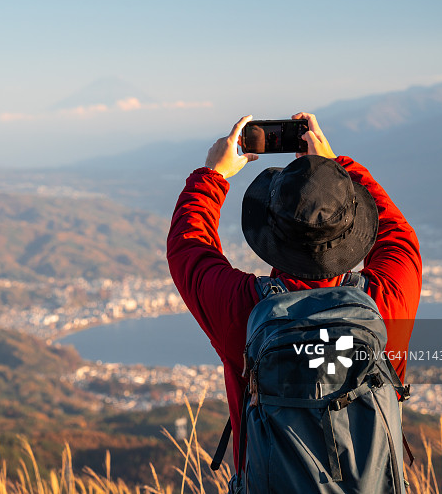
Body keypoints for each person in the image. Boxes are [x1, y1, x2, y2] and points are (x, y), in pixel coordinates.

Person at [165, 112, 422, 469]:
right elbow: (398, 235)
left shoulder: (246, 310)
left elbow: (188, 248)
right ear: (352, 226)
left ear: (270, 232)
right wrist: (335, 168)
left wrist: (212, 175)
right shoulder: (386, 302)